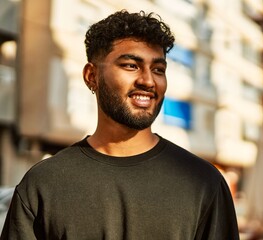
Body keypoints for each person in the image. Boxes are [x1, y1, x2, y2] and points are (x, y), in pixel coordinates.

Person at [1, 10, 240, 239]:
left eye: (158, 69)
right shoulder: (43, 184)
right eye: (131, 65)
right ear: (91, 76)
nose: (148, 80)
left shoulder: (204, 183)